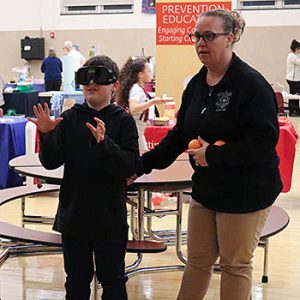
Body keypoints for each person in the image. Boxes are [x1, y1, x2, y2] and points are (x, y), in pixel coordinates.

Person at [134, 10, 282, 300]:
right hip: (208, 188)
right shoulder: (197, 85)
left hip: (246, 190)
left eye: (210, 36)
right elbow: (180, 135)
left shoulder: (251, 85)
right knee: (198, 260)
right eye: (197, 36)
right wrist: (141, 166)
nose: (201, 42)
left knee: (234, 264)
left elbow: (264, 141)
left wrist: (213, 155)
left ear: (230, 38)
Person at [28, 55, 140, 300]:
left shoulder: (123, 121)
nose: (91, 83)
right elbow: (51, 162)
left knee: (113, 281)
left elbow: (130, 166)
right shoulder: (70, 118)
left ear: (115, 85)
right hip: (74, 216)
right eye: (85, 77)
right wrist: (46, 135)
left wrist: (105, 144)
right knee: (76, 282)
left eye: (99, 76)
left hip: (109, 218)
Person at [116, 57, 164, 153]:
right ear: (140, 75)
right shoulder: (136, 89)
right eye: (149, 71)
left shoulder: (140, 89)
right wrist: (153, 102)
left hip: (138, 132)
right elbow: (133, 109)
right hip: (134, 131)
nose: (151, 74)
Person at [286, 39, 300, 116]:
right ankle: (293, 111)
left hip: (296, 79)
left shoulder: (295, 55)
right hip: (293, 79)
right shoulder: (292, 56)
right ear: (296, 49)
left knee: (296, 95)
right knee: (294, 95)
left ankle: (296, 110)